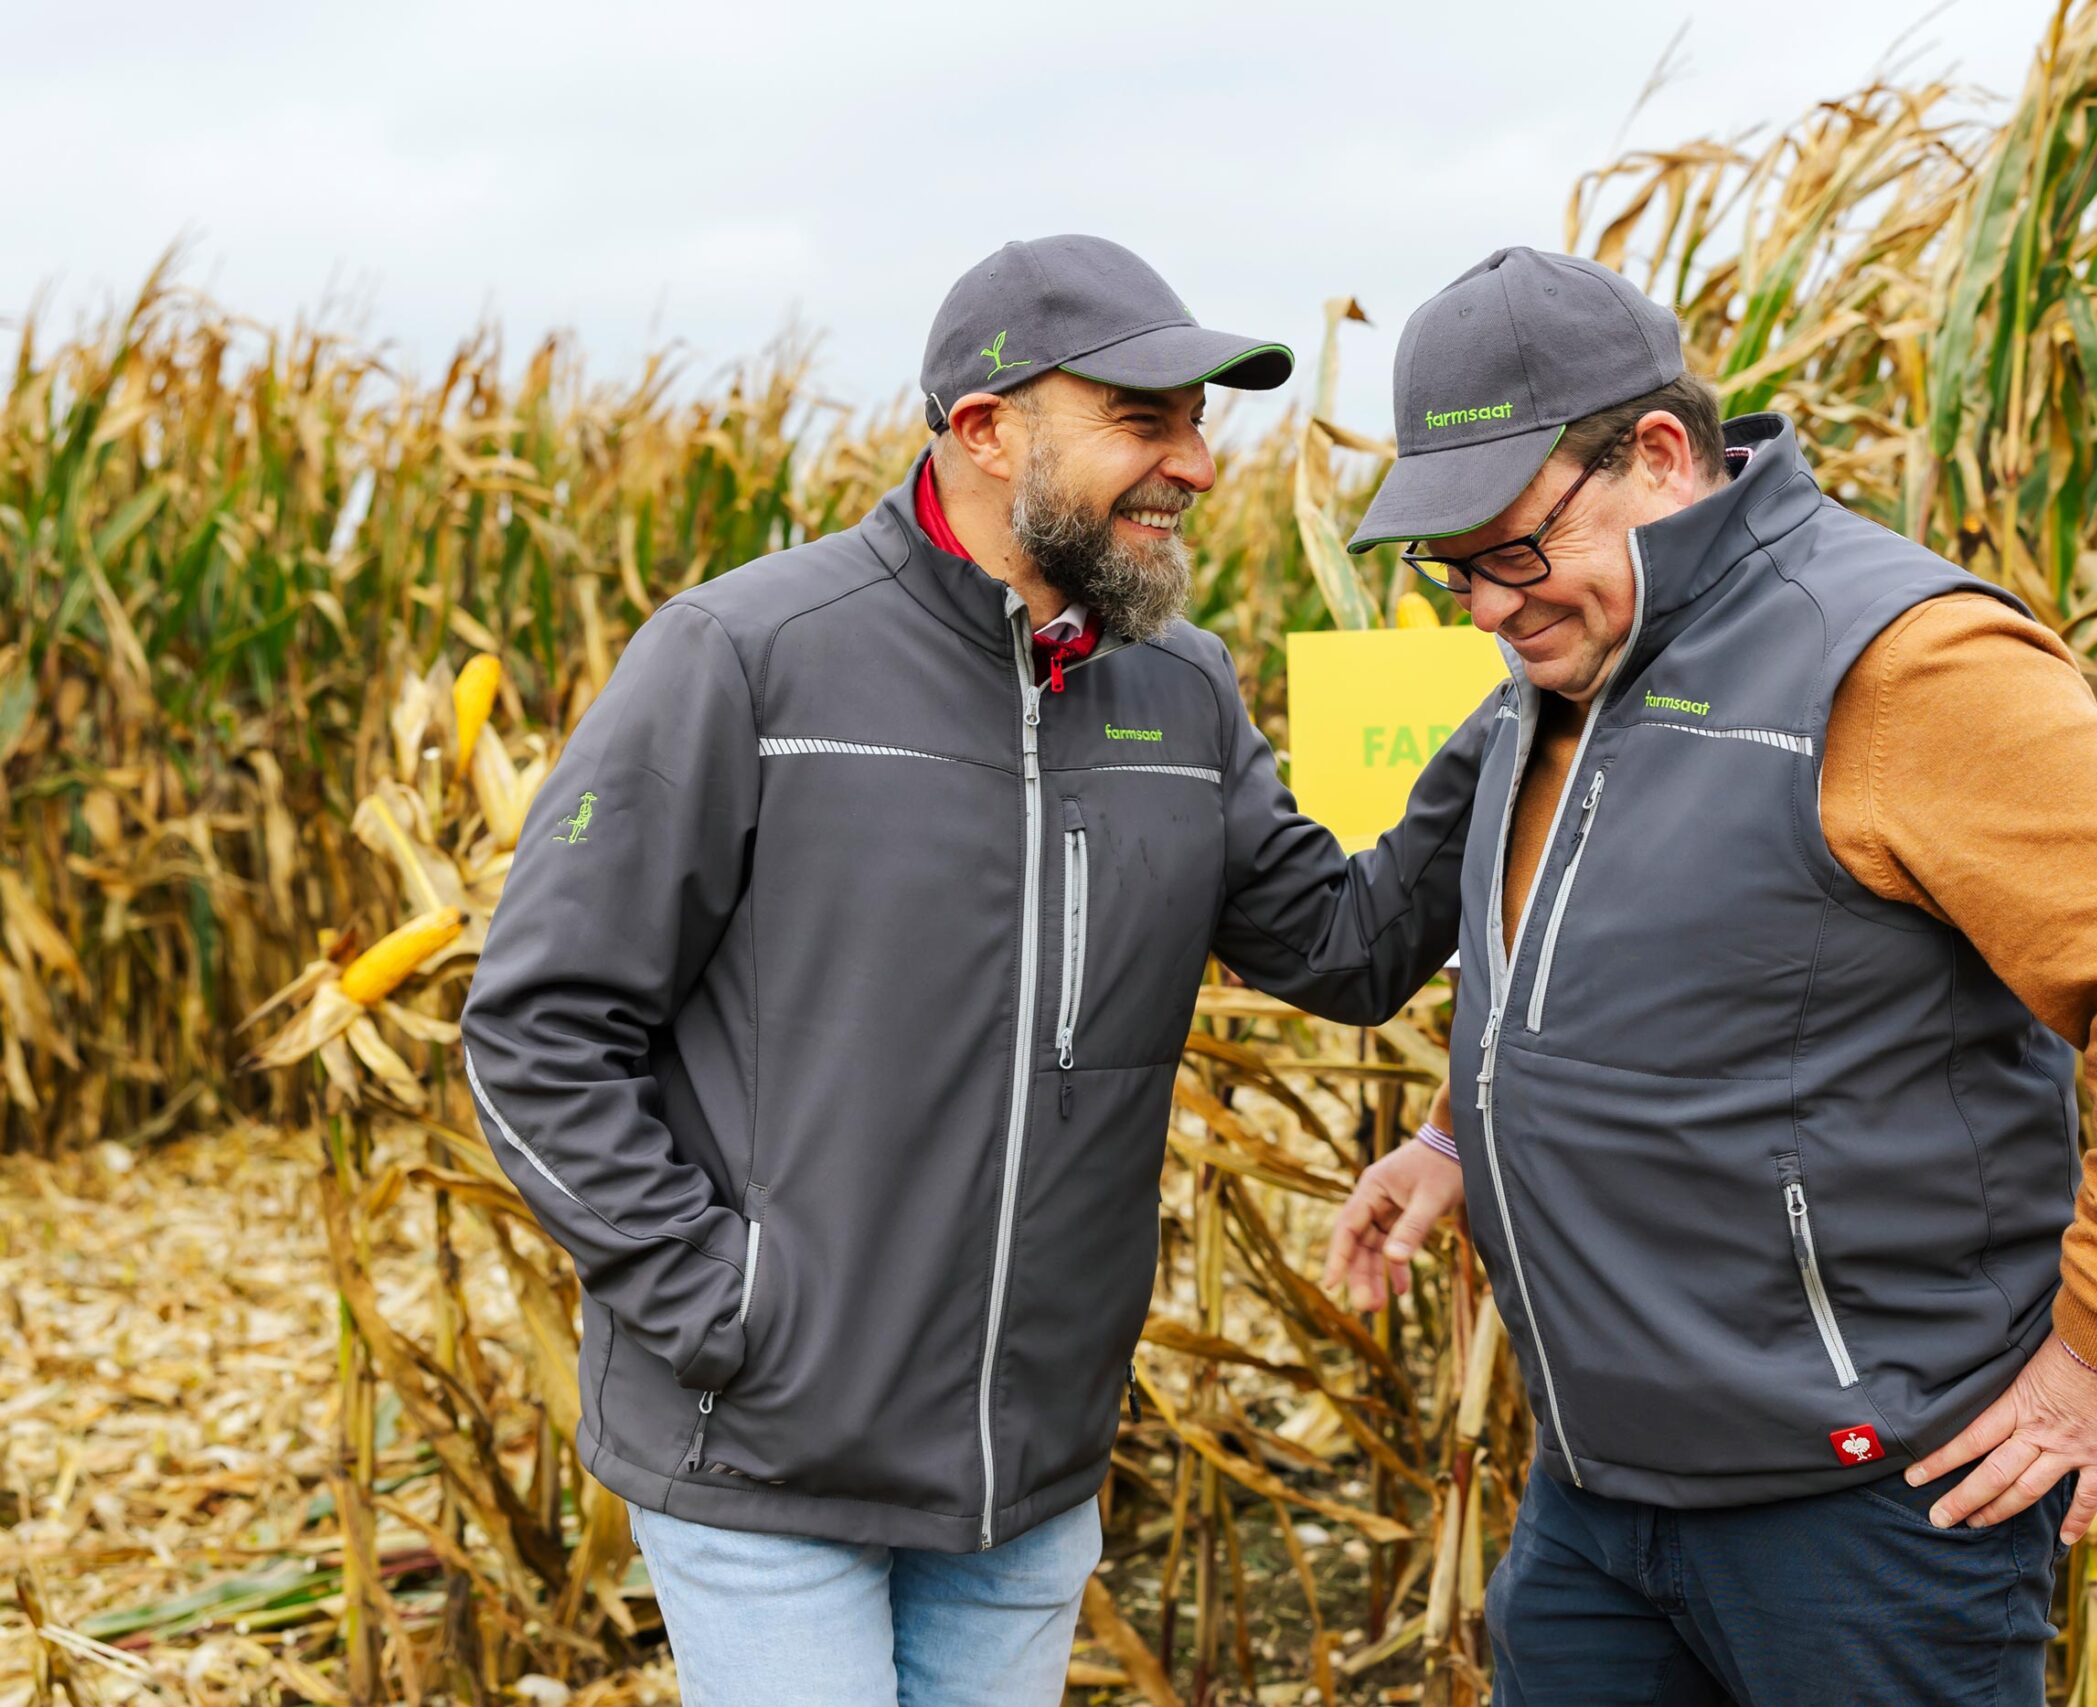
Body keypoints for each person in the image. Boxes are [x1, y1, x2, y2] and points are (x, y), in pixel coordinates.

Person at [461, 235, 1486, 1705]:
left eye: (1199, 425)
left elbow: (1348, 945)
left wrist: (1525, 710)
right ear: (989, 430)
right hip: (771, 1451)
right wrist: (723, 1307)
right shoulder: (747, 657)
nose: (1197, 466)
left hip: (1030, 1461)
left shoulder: (1179, 688)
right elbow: (537, 1029)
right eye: (1144, 421)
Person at [1322, 246, 2097, 1705]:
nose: (1483, 606)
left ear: (1662, 456)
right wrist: (1457, 1133)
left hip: (1865, 1516)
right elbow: (1604, 962)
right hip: (1595, 1495)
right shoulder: (1566, 661)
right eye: (1452, 565)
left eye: (1511, 549)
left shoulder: (1901, 664)